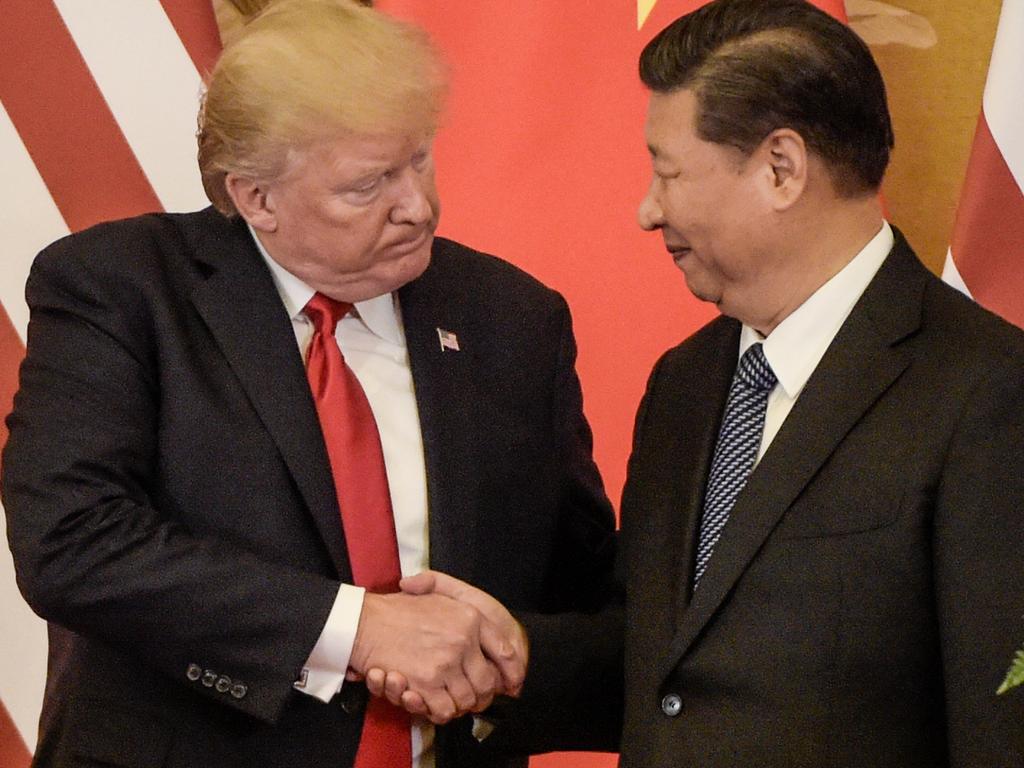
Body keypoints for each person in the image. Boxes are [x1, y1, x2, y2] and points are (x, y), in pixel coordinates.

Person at [396, 0, 1024, 765]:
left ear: (781, 168)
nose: (647, 210)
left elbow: (1000, 724)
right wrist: (516, 652)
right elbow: (664, 664)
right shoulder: (686, 383)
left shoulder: (986, 391)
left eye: (667, 172)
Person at [0, 1, 615, 767]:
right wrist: (358, 628)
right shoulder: (123, 290)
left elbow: (589, 596)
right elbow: (72, 542)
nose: (417, 206)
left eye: (419, 160)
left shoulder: (512, 319)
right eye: (369, 185)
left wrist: (509, 651)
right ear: (257, 198)